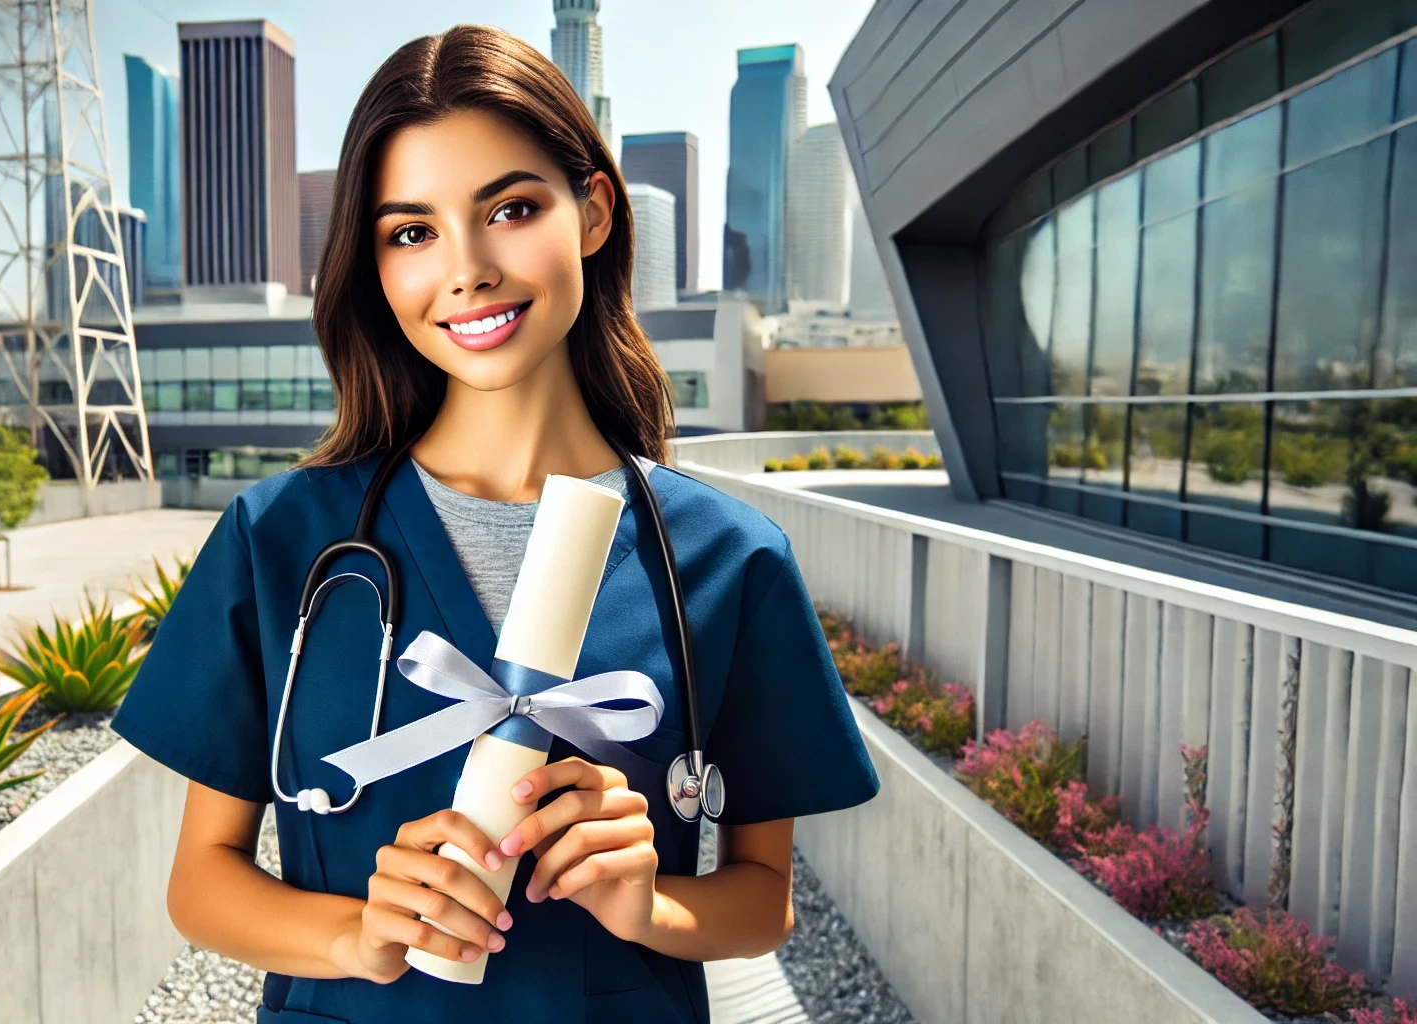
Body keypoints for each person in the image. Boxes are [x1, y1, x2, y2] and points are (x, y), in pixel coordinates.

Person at [108, 24, 879, 1024]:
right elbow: (201, 881)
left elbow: (759, 899)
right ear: (374, 266)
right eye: (411, 231)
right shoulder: (282, 539)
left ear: (593, 210)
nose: (465, 269)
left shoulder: (728, 560)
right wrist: (353, 935)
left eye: (510, 208)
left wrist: (647, 905)